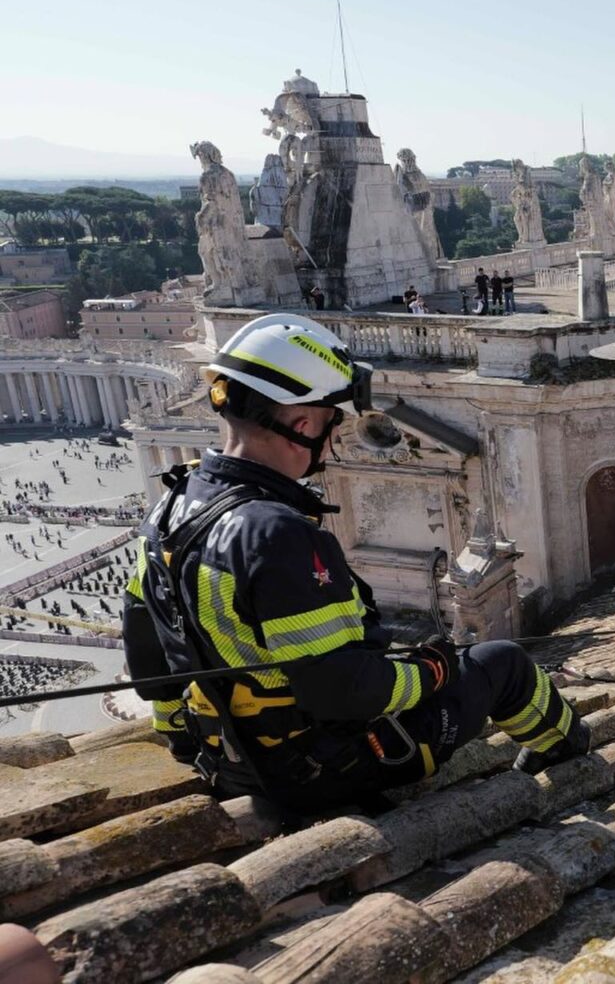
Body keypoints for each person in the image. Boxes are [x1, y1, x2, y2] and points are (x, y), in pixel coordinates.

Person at [121, 313, 589, 815]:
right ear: (302, 425)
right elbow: (344, 691)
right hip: (330, 768)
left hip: (231, 762)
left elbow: (148, 655)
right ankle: (572, 762)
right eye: (331, 423)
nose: (332, 439)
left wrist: (188, 745)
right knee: (504, 664)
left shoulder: (170, 507)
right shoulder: (277, 533)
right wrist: (433, 669)